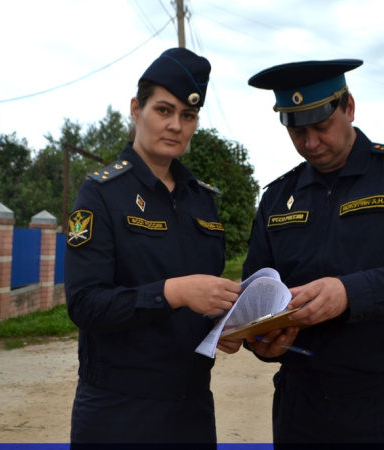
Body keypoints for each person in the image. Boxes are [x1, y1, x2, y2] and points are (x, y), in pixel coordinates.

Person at [241, 59, 384, 447]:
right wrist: (261, 342)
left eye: (322, 126)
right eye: (297, 131)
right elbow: (256, 290)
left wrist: (349, 293)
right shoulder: (277, 196)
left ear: (350, 108)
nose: (311, 143)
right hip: (300, 404)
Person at [64, 47, 243, 446]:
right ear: (136, 109)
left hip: (192, 409)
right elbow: (85, 304)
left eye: (188, 115)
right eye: (164, 110)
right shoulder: (100, 194)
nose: (176, 125)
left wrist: (223, 328)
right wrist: (173, 292)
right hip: (119, 411)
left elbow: (202, 301)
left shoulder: (203, 200)